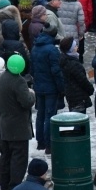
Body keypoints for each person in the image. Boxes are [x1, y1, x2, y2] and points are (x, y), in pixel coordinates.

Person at [0, 54, 36, 190]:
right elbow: (26, 102)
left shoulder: (1, 79)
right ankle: (15, 187)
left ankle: (4, 185)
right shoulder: (19, 81)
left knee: (6, 157)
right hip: (18, 127)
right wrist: (32, 93)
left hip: (5, 125)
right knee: (19, 159)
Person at [30, 23, 64, 153]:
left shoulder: (35, 47)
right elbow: (56, 71)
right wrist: (61, 88)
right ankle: (49, 144)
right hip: (51, 88)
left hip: (39, 86)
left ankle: (40, 143)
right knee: (50, 116)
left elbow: (32, 70)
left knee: (40, 115)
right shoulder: (52, 50)